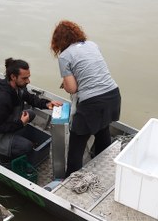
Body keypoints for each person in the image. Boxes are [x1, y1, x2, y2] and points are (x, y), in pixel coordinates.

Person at [51, 20, 121, 177]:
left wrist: (65, 80)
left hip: (92, 103)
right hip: (113, 95)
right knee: (102, 129)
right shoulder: (92, 45)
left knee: (76, 145)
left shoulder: (64, 56)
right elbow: (92, 71)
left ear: (58, 41)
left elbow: (72, 88)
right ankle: (105, 170)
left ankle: (71, 180)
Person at [0, 58, 62, 161]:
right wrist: (20, 123)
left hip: (9, 123)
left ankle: (15, 137)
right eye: (24, 78)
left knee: (31, 114)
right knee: (27, 146)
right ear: (13, 77)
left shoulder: (19, 88)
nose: (28, 81)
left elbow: (31, 98)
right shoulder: (3, 99)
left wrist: (47, 104)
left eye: (28, 77)